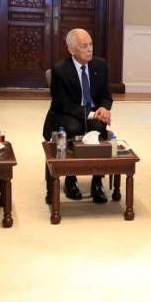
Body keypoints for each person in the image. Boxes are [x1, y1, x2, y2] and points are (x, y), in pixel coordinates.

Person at [42, 28, 114, 204]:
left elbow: (105, 95)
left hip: (92, 111)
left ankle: (97, 181)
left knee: (98, 128)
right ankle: (70, 179)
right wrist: (91, 114)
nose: (90, 49)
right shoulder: (59, 70)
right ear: (71, 49)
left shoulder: (100, 65)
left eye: (91, 44)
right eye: (84, 46)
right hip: (65, 113)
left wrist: (104, 108)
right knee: (73, 128)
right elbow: (62, 103)